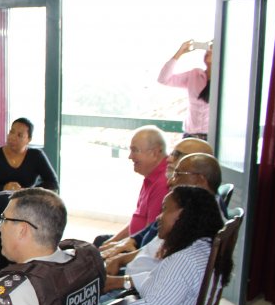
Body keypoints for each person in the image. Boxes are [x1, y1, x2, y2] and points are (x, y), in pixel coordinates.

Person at [107, 186, 228, 305]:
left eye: (165, 209)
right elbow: (160, 288)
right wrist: (125, 284)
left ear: (182, 214)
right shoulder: (203, 248)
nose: (158, 217)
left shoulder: (184, 260)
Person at [104, 153, 223, 294]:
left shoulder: (197, 225)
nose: (170, 181)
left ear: (200, 179)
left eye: (178, 174)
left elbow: (166, 279)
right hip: (134, 279)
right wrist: (120, 258)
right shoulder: (191, 213)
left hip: (135, 289)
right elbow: (153, 252)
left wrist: (120, 282)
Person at [100, 136, 213, 262]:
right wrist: (132, 239)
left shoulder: (197, 211)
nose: (169, 158)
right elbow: (152, 229)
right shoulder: (188, 197)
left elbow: (158, 253)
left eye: (176, 155)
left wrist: (122, 259)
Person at [0, 118, 58, 270]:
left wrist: (27, 191)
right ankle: (4, 271)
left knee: (21, 218)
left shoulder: (36, 156)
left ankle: (27, 268)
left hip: (22, 206)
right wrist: (4, 186)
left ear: (29, 139)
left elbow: (52, 183)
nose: (13, 137)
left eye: (20, 135)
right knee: (9, 216)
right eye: (12, 132)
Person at [95, 125, 170, 248]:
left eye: (135, 150)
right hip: (134, 240)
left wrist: (115, 249)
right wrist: (109, 243)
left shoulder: (163, 183)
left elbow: (149, 238)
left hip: (141, 248)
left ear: (155, 153)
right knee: (100, 242)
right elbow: (138, 219)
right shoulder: (151, 176)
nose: (130, 156)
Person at [158, 40, 212, 140]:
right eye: (208, 49)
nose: (208, 51)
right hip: (190, 135)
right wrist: (180, 53)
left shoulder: (224, 82)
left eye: (212, 49)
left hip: (212, 137)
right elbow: (163, 79)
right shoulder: (195, 74)